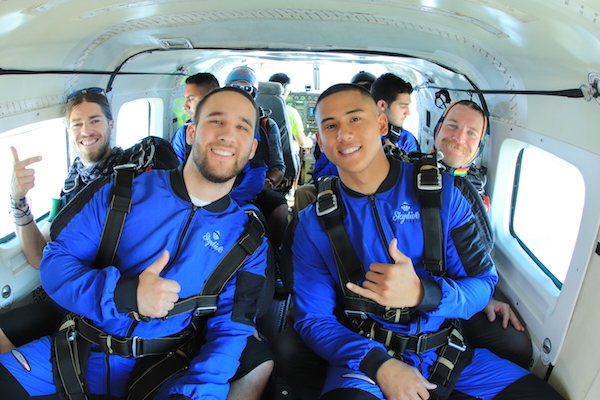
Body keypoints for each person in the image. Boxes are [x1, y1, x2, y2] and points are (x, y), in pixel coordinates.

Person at [276, 84, 563, 400]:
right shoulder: (313, 222)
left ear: (382, 125)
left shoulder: (444, 196)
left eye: (355, 119)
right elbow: (314, 319)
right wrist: (380, 365)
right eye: (330, 126)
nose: (343, 134)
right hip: (363, 363)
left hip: (449, 354)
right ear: (320, 140)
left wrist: (421, 293)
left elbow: (481, 284)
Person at [0, 87, 274, 400]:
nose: (227, 135)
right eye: (216, 121)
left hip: (164, 367)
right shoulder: (120, 192)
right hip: (78, 349)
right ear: (191, 132)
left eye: (241, 127)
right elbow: (54, 264)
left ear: (252, 148)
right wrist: (123, 293)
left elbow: (232, 328)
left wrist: (196, 393)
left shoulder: (248, 242)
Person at [2, 89, 136, 354]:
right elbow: (40, 258)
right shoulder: (71, 184)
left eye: (95, 120)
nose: (86, 130)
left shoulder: (135, 173)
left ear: (111, 124)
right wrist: (18, 199)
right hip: (70, 294)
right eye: (77, 124)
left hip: (114, 297)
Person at [433, 100, 532, 368]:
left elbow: (479, 255)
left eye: (471, 133)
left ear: (479, 147)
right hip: (424, 292)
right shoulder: (406, 176)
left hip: (464, 291)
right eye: (452, 126)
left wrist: (486, 297)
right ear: (438, 130)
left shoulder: (471, 191)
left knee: (516, 344)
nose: (459, 138)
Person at [225, 66, 289, 249]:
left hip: (254, 184)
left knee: (280, 208)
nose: (241, 94)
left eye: (247, 89)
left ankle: (276, 256)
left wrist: (268, 181)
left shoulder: (265, 126)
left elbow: (277, 166)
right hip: (219, 185)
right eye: (236, 88)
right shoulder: (214, 119)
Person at [171, 72, 220, 163]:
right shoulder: (184, 133)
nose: (184, 106)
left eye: (191, 99)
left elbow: (253, 169)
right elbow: (176, 169)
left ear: (210, 99)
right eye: (185, 99)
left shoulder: (236, 130)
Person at [370, 73, 419, 152]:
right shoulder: (358, 134)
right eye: (403, 106)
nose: (408, 113)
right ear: (382, 105)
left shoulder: (407, 140)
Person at [268, 72, 314, 150]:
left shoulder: (256, 108)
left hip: (258, 156)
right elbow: (302, 143)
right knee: (295, 145)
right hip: (282, 160)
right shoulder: (290, 112)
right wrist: (310, 142)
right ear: (286, 89)